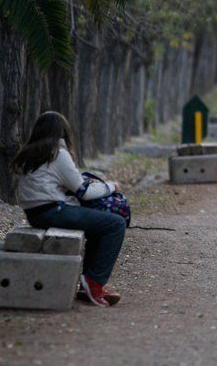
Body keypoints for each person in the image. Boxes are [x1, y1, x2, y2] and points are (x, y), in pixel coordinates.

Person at [13, 111, 126, 307]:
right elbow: (84, 192)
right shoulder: (58, 153)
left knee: (98, 223)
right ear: (63, 131)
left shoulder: (31, 153)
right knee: (115, 224)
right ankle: (94, 283)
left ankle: (88, 286)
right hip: (54, 211)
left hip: (36, 214)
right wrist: (111, 186)